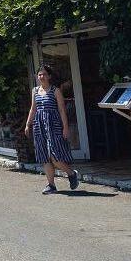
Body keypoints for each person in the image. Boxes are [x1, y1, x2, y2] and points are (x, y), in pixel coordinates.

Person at [25, 64, 80, 194]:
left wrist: (65, 128)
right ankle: (51, 185)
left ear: (49, 76)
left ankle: (71, 173)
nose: (42, 77)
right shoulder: (35, 91)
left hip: (53, 126)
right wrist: (28, 124)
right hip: (40, 126)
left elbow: (62, 110)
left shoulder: (56, 91)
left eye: (44, 74)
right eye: (39, 74)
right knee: (44, 156)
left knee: (55, 156)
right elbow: (33, 109)